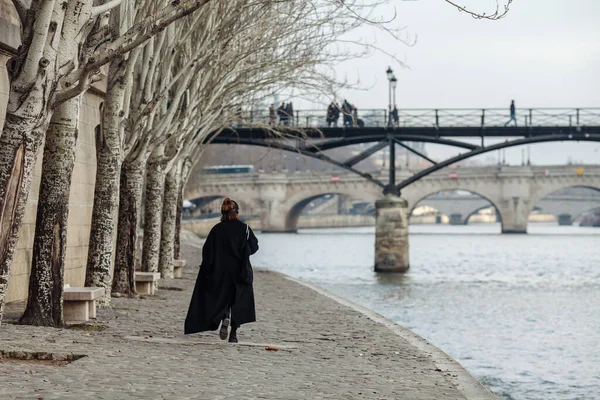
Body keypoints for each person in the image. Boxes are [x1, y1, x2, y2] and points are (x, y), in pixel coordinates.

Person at [184, 198, 259, 343]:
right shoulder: (245, 229)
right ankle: (233, 335)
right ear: (236, 212)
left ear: (222, 213)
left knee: (223, 297)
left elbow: (207, 253)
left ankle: (225, 316)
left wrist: (207, 271)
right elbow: (254, 247)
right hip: (240, 271)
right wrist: (244, 253)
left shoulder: (216, 230)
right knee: (238, 301)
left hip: (220, 272)